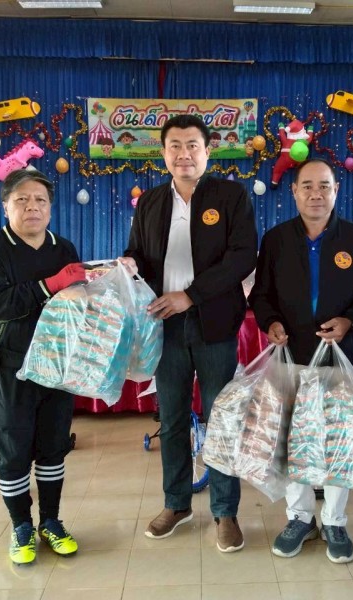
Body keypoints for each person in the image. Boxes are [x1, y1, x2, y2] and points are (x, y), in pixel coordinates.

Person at [119, 114, 258, 552]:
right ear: (163, 153)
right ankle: (176, 503)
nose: (184, 154)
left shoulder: (230, 196)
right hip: (165, 325)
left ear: (207, 151)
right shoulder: (150, 202)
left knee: (221, 416)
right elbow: (139, 251)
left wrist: (191, 296)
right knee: (173, 418)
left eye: (192, 145)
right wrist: (130, 262)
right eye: (175, 146)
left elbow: (242, 257)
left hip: (214, 323)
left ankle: (225, 511)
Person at [249, 159, 353, 563]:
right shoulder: (276, 240)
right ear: (294, 192)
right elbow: (260, 295)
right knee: (296, 441)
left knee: (339, 441)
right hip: (292, 359)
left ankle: (335, 520)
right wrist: (271, 321)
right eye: (307, 186)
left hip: (339, 361)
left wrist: (350, 321)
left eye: (324, 186)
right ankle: (299, 518)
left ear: (336, 191)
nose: (316, 194)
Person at [0, 169, 86, 565]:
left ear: (50, 209)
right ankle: (21, 525)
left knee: (53, 447)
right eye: (22, 200)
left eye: (40, 200)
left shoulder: (63, 248)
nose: (32, 207)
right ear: (6, 206)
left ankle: (51, 521)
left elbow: (78, 304)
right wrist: (50, 285)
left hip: (59, 363)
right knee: (14, 448)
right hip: (12, 365)